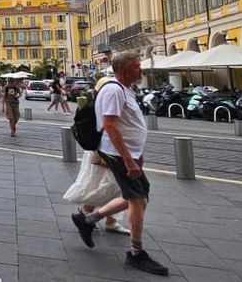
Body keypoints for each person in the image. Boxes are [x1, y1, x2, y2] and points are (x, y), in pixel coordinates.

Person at [71, 51, 168, 276]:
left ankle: (88, 220)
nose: (140, 70)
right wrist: (128, 158)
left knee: (138, 197)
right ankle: (135, 253)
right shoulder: (114, 90)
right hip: (117, 153)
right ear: (124, 69)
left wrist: (137, 152)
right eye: (136, 66)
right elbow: (111, 126)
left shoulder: (125, 89)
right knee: (137, 199)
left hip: (126, 153)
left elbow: (127, 123)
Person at [63, 77, 130, 236]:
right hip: (104, 151)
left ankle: (105, 219)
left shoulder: (93, 104)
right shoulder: (100, 106)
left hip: (104, 150)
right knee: (109, 186)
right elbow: (106, 127)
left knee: (108, 185)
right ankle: (87, 215)